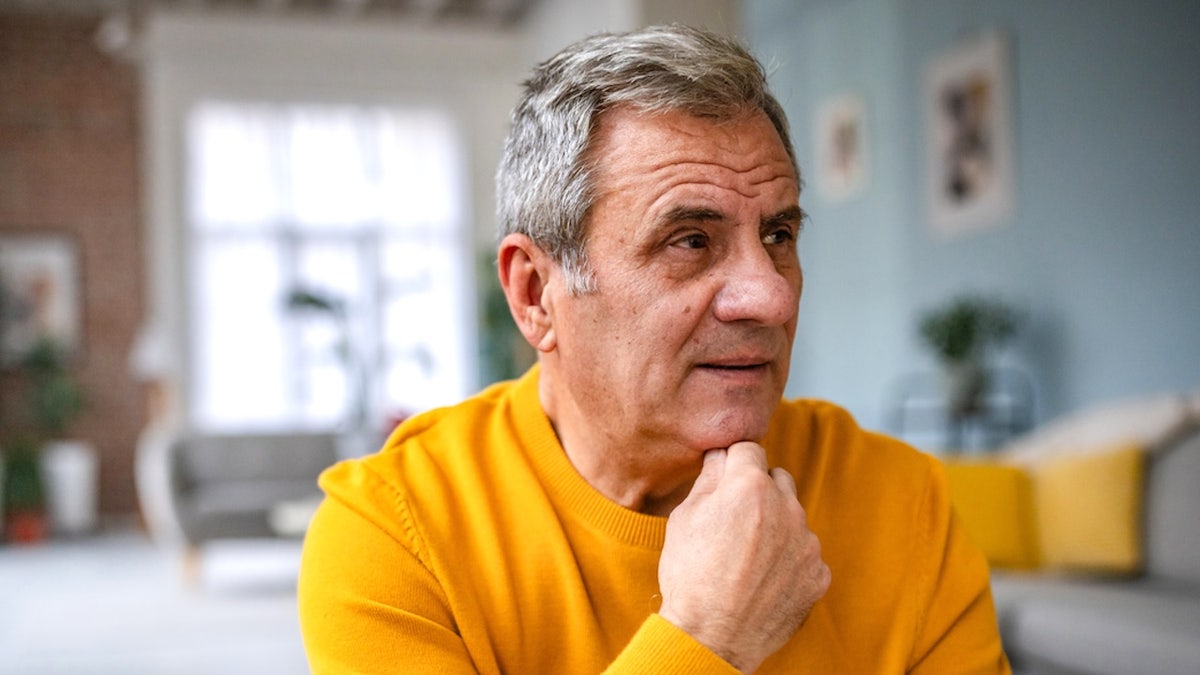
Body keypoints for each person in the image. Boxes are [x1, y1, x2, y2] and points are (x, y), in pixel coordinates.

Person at [298, 24, 1010, 674]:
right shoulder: (394, 535)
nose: (772, 298)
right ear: (535, 294)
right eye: (691, 241)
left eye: (779, 236)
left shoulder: (903, 503)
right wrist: (706, 635)